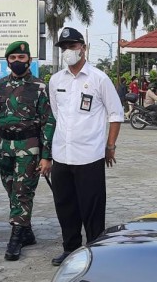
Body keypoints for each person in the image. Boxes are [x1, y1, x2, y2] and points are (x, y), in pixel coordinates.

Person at [48, 27, 124, 266]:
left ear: (83, 48)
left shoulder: (98, 78)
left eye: (72, 46)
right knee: (65, 206)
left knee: (92, 208)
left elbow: (116, 114)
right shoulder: (55, 80)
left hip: (89, 155)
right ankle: (70, 248)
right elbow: (56, 113)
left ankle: (94, 251)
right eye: (64, 48)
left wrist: (110, 146)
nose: (68, 51)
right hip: (62, 154)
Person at [0, 40, 55, 261]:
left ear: (29, 61)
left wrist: (46, 156)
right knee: (11, 191)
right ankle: (27, 231)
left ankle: (15, 239)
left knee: (22, 192)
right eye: (13, 59)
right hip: (3, 148)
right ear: (7, 61)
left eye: (21, 58)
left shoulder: (40, 87)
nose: (17, 62)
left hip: (29, 148)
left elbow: (48, 123)